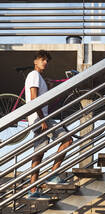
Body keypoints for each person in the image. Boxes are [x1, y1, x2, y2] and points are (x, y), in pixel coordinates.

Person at [25, 50, 73, 200]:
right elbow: (34, 99)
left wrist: (49, 86)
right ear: (35, 61)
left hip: (38, 119)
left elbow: (42, 99)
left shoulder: (39, 78)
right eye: (42, 59)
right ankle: (52, 175)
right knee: (67, 140)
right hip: (41, 119)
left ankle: (33, 189)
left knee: (39, 153)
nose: (45, 62)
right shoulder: (34, 75)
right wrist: (43, 119)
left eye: (46, 60)